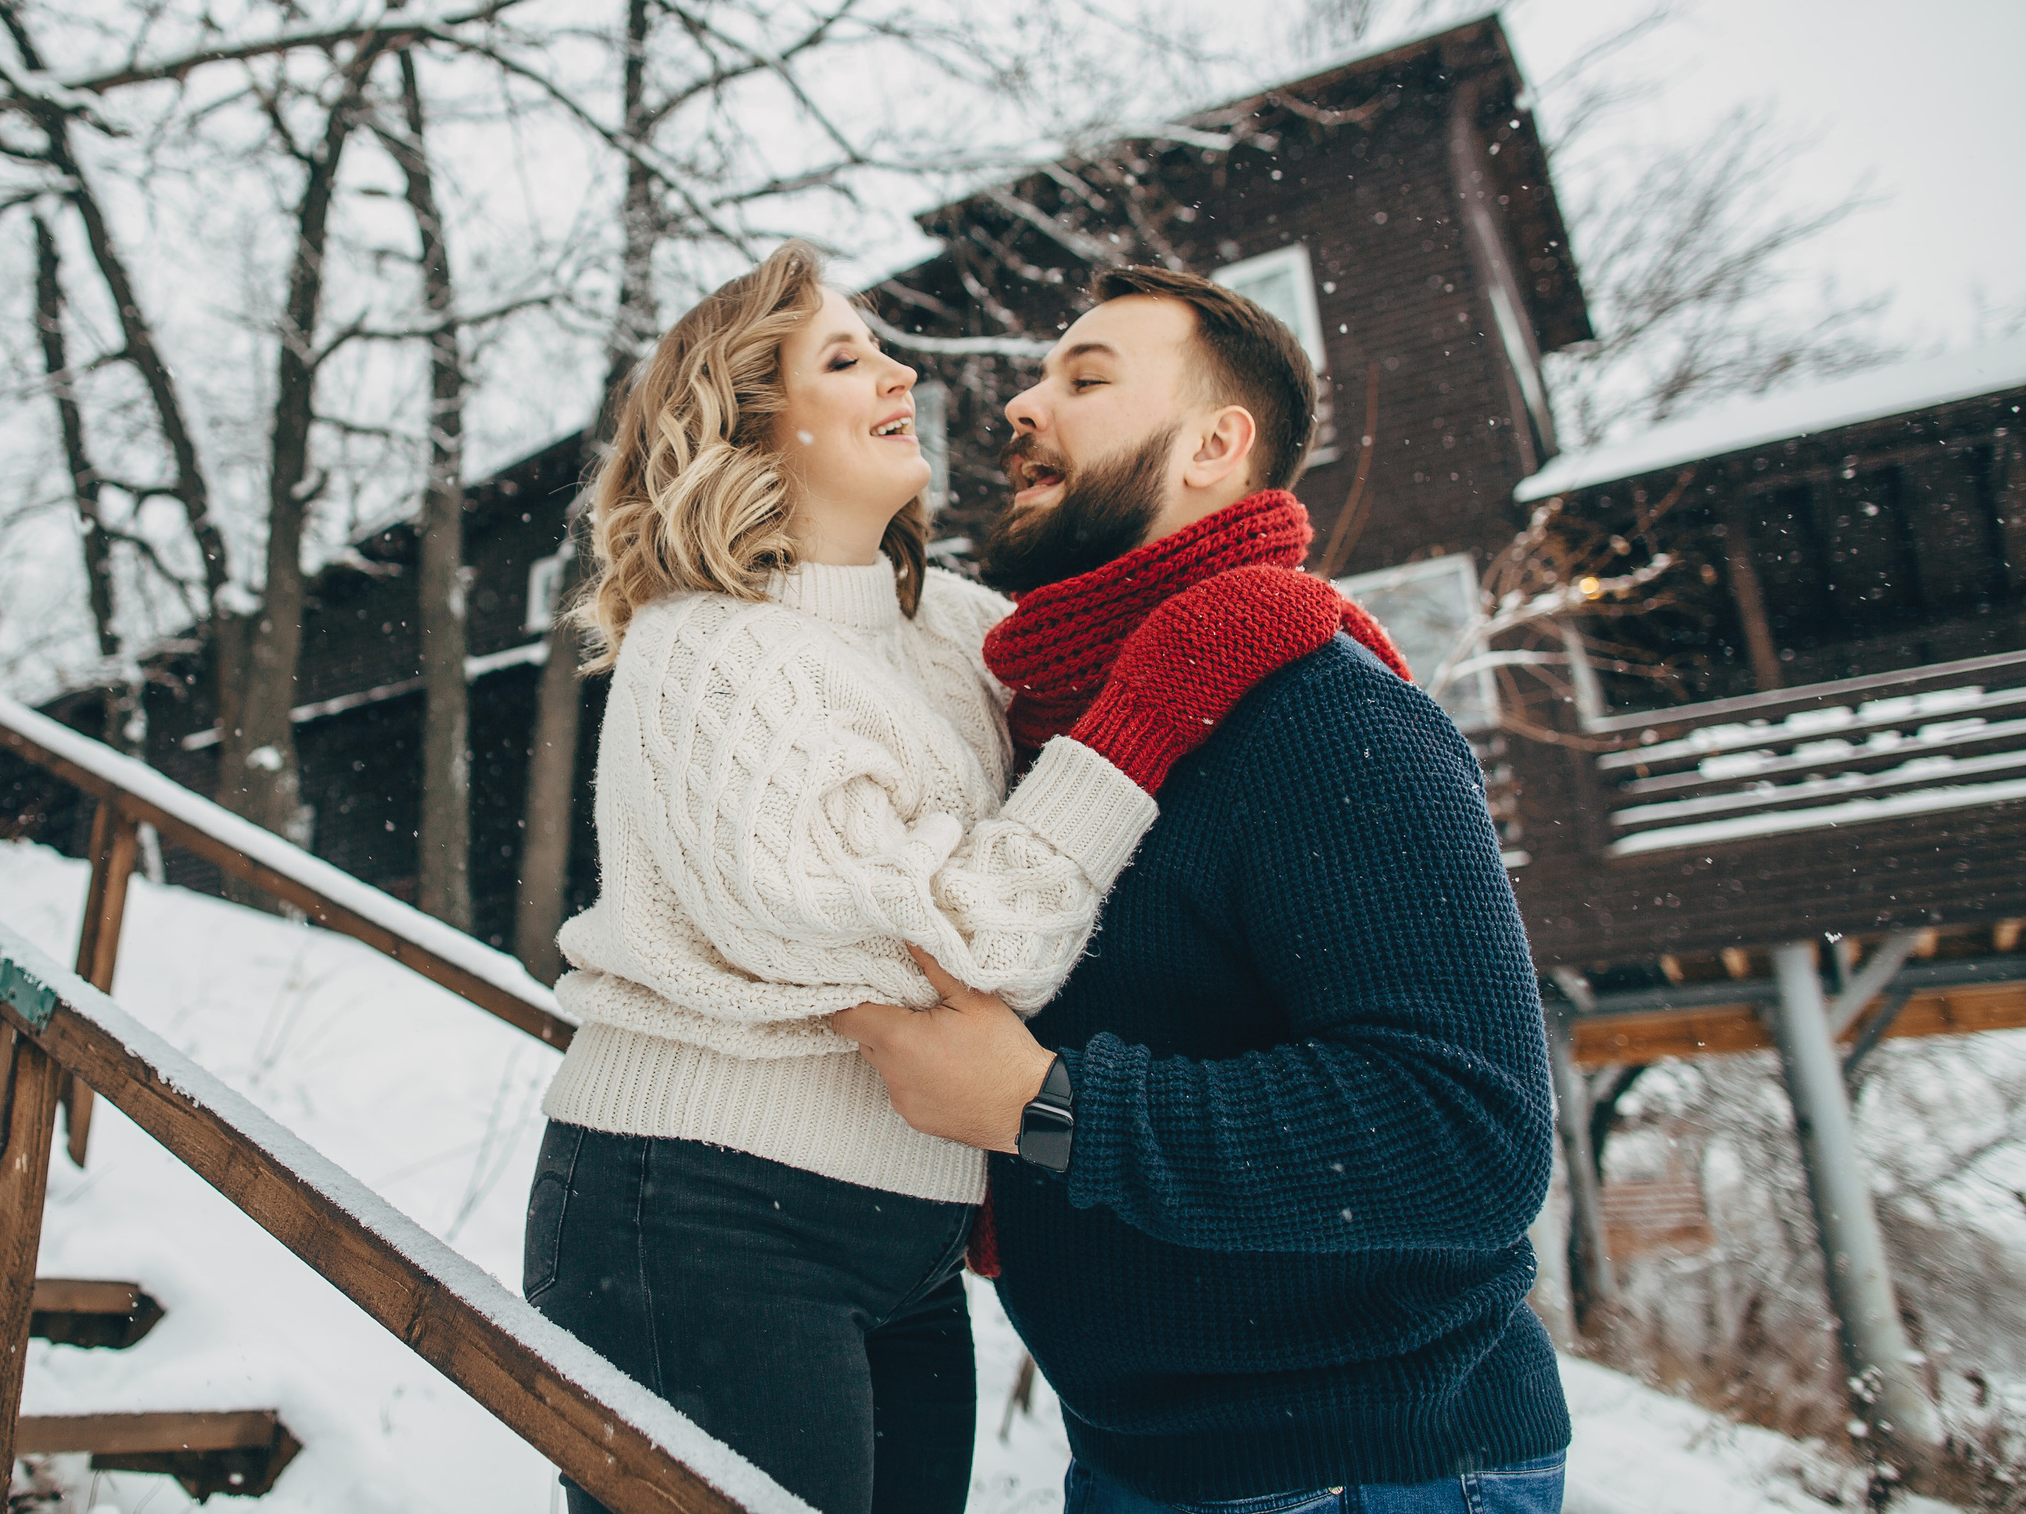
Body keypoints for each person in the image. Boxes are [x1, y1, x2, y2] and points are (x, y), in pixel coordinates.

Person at [522, 243, 1377, 1514]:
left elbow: (1165, 635)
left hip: (907, 1233)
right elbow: (960, 955)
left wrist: (1322, 640)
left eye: (884, 345)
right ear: (751, 423)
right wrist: (1136, 727)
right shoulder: (709, 655)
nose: (899, 372)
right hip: (697, 1206)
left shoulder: (959, 632)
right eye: (845, 356)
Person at [834, 265, 1571, 1514]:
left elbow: (1471, 1137)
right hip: (1148, 1463)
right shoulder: (1072, 731)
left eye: (1086, 378)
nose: (1021, 404)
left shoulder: (1318, 714)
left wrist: (1048, 1108)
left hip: (1360, 1472)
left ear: (1216, 445)